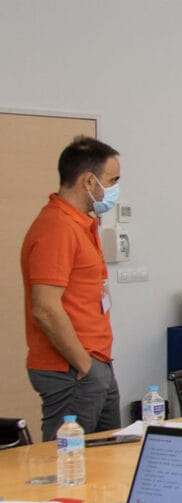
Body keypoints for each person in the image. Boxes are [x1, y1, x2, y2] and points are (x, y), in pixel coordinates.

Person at [21, 136, 124, 440]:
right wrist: (85, 365)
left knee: (108, 457)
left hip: (95, 362)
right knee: (68, 459)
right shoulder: (57, 227)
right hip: (72, 368)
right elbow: (45, 308)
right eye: (113, 180)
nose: (116, 188)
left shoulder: (81, 224)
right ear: (89, 181)